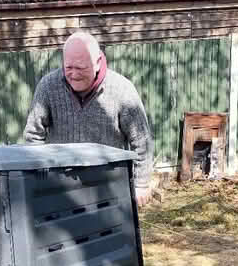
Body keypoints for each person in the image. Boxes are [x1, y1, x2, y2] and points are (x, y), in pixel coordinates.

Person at [24, 31, 153, 206]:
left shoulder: (122, 90)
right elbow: (33, 136)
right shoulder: (48, 87)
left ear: (98, 62)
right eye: (68, 67)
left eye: (81, 68)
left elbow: (141, 140)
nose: (74, 74)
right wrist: (39, 180)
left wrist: (141, 184)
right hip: (60, 188)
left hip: (109, 186)